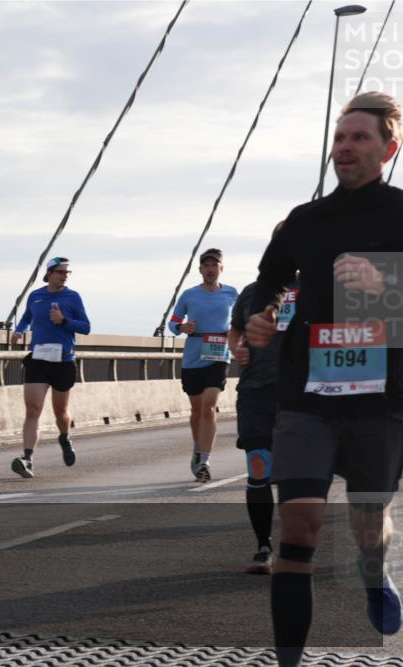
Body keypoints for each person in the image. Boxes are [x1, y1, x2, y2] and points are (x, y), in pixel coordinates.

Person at [245, 92, 403, 665]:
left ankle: (372, 572)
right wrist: (258, 320)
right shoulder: (307, 221)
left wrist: (384, 284)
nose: (345, 148)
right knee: (301, 526)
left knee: (367, 524)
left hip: (380, 400)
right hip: (306, 396)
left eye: (359, 138)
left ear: (389, 147)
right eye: (339, 139)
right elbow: (267, 281)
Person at [227, 227, 296, 575]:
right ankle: (263, 547)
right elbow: (236, 329)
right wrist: (236, 347)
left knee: (300, 476)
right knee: (258, 466)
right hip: (256, 389)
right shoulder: (253, 292)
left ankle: (297, 546)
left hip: (303, 394)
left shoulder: (321, 289)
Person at [10, 257, 91, 478]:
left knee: (60, 412)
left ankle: (64, 436)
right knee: (33, 409)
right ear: (49, 274)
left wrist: (64, 321)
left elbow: (86, 327)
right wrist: (18, 330)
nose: (65, 275)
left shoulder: (72, 297)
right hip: (38, 358)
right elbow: (27, 317)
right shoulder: (36, 296)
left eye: (67, 273)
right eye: (60, 272)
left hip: (63, 361)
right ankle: (27, 458)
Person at [168, 249, 239, 483]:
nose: (210, 269)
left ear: (221, 268)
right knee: (197, 409)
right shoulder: (189, 295)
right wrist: (182, 328)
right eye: (206, 265)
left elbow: (240, 320)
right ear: (200, 270)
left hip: (219, 353)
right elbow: (173, 322)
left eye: (214, 265)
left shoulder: (231, 293)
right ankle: (198, 449)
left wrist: (236, 333)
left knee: (209, 407)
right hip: (194, 353)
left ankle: (205, 461)